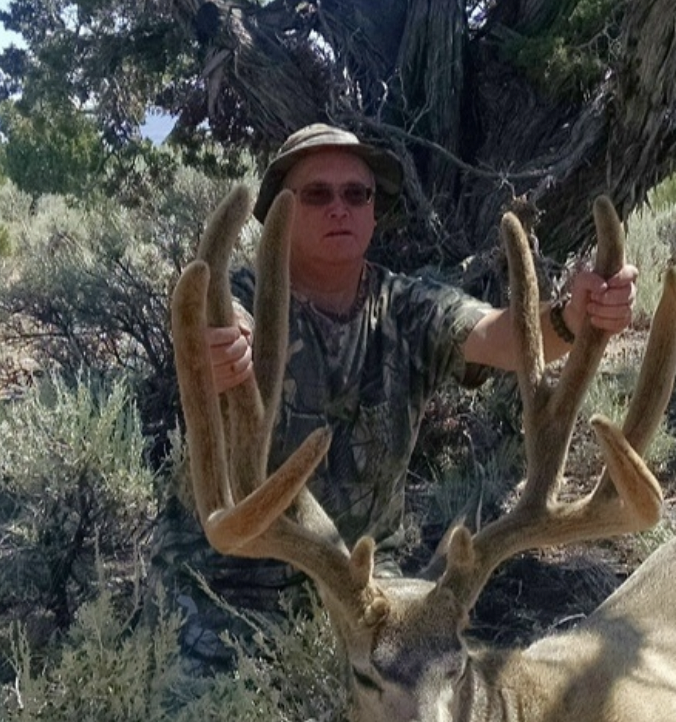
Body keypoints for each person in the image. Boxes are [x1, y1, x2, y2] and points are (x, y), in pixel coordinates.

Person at [147, 123, 637, 671]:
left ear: (374, 212)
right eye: (317, 194)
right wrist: (219, 347)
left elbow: (502, 337)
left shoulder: (404, 305)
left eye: (357, 194)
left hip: (365, 584)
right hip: (230, 580)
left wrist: (574, 315)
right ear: (275, 213)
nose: (340, 208)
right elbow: (217, 323)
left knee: (443, 713)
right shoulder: (240, 297)